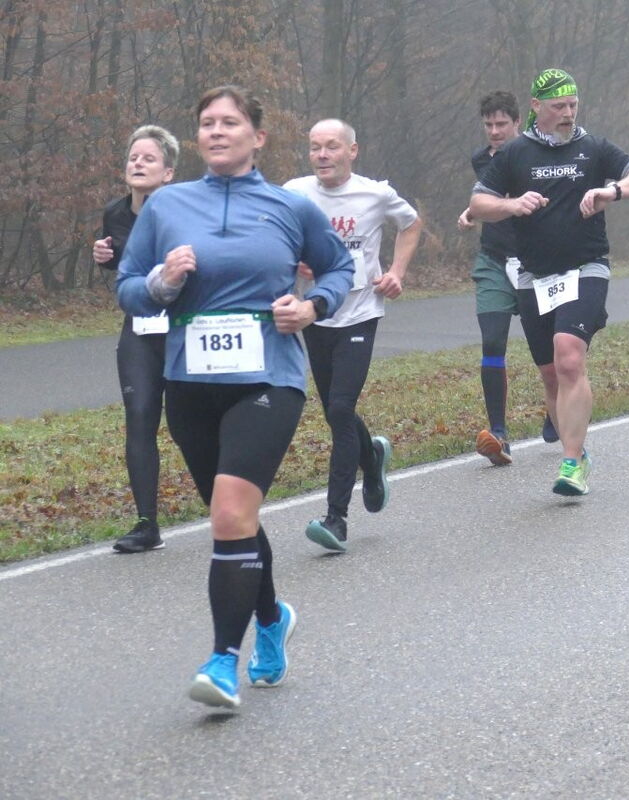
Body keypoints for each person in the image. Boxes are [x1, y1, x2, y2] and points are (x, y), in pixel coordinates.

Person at [117, 85, 354, 709]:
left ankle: (223, 660)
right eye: (207, 123)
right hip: (190, 383)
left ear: (258, 137)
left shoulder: (289, 207)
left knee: (228, 514)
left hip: (268, 379)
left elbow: (339, 268)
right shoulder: (167, 206)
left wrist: (312, 306)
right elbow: (128, 288)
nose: (217, 131)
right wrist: (162, 282)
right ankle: (272, 618)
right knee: (235, 520)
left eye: (229, 122)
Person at [469, 68, 629, 495]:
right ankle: (578, 451)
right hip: (534, 276)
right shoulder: (515, 153)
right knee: (552, 375)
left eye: (573, 104)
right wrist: (512, 204)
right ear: (536, 106)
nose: (568, 113)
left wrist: (612, 192)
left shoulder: (593, 148)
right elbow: (478, 203)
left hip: (585, 268)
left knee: (569, 356)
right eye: (559, 106)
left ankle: (571, 462)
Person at [282, 118, 421, 551]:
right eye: (315, 147)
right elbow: (275, 237)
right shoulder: (295, 192)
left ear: (352, 151)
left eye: (332, 146)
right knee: (334, 412)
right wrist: (294, 261)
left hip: (360, 313)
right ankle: (371, 456)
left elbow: (411, 224)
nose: (322, 155)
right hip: (315, 314)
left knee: (341, 408)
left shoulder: (374, 194)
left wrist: (396, 272)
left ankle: (336, 519)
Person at [456, 91, 557, 466]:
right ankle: (498, 434)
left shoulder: (541, 154)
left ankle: (556, 409)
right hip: (494, 260)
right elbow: (488, 196)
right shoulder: (481, 159)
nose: (495, 131)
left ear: (518, 123)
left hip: (538, 262)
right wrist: (471, 212)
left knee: (550, 349)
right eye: (489, 125)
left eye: (502, 124)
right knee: (493, 340)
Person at [92, 125, 178, 553]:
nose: (138, 163)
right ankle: (147, 524)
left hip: (183, 327)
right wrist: (104, 259)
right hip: (140, 327)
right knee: (140, 415)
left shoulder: (184, 211)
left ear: (168, 173)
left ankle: (229, 505)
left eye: (149, 158)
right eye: (133, 157)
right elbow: (125, 267)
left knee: (187, 422)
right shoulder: (115, 212)